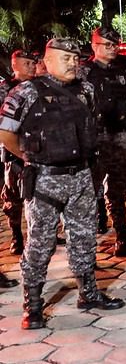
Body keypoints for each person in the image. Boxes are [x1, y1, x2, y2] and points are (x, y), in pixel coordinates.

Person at [0, 37, 126, 329]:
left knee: (84, 237)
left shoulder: (86, 90)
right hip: (45, 179)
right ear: (47, 61)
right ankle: (33, 305)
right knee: (40, 244)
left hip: (81, 175)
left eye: (75, 58)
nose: (72, 63)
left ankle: (88, 293)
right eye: (65, 58)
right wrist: (31, 157)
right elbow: (6, 134)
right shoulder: (26, 92)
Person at [80, 28, 126, 257]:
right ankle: (90, 239)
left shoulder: (123, 69)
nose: (112, 49)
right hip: (95, 139)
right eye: (107, 45)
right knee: (90, 190)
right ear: (94, 46)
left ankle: (122, 238)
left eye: (115, 45)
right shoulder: (84, 72)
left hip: (120, 135)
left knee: (118, 187)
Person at [1, 50, 38, 255]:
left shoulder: (39, 87)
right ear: (14, 65)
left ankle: (39, 235)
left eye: (33, 63)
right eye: (27, 63)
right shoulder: (6, 88)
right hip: (13, 151)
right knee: (13, 197)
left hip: (36, 151)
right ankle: (16, 236)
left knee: (37, 197)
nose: (31, 67)